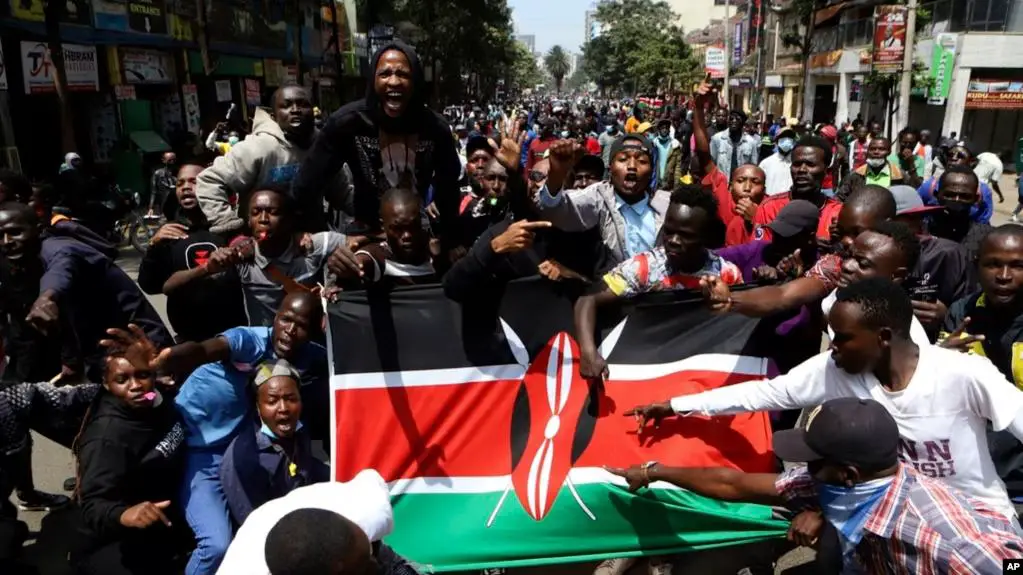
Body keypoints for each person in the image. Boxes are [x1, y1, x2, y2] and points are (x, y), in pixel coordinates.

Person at [640, 276, 1023, 520]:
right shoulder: (834, 369)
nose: (832, 348)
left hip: (978, 520)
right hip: (891, 520)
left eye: (842, 337)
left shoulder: (963, 374)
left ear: (884, 337)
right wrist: (678, 405)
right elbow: (764, 394)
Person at [610, 396, 1023, 573]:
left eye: (813, 461)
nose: (803, 469)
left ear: (848, 474)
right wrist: (652, 472)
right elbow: (733, 484)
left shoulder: (950, 542)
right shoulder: (845, 484)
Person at [172, 292, 327, 574]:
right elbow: (203, 350)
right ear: (275, 318)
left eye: (301, 325)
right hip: (202, 453)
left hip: (245, 445)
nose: (290, 330)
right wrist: (166, 359)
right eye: (286, 319)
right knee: (216, 544)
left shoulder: (311, 355)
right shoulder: (249, 340)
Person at [291, 41, 460, 242]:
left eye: (403, 74)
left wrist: (449, 240)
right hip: (366, 232)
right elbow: (309, 181)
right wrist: (300, 230)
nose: (394, 82)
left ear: (415, 81)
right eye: (385, 74)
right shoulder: (347, 122)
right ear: (373, 79)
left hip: (415, 234)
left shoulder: (435, 128)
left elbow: (449, 187)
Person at [574, 185, 744, 381]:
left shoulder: (726, 275)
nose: (673, 241)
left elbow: (738, 325)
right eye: (669, 231)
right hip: (652, 370)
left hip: (701, 374)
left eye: (686, 235)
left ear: (705, 237)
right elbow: (587, 300)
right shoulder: (644, 268)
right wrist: (588, 352)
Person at [0, 202, 172, 384]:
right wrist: (70, 360)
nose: (7, 242)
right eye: (0, 236)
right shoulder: (21, 263)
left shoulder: (60, 248)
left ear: (38, 229)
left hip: (142, 345)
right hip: (99, 351)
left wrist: (46, 297)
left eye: (15, 232)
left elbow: (61, 270)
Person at [72, 326, 188, 575]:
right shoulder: (108, 438)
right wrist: (124, 514)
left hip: (166, 521)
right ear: (105, 383)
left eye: (142, 374)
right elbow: (92, 506)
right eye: (121, 380)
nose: (135, 386)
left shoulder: (154, 399)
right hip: (118, 542)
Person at [943, 225, 1023, 504]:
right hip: (974, 474)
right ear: (977, 267)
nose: (1003, 276)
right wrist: (941, 359)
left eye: (1017, 266)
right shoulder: (961, 313)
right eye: (993, 265)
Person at [217, 469, 420, 575]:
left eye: (369, 555)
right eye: (364, 569)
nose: (374, 565)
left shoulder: (366, 512)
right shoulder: (245, 568)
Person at [137, 158, 248, 343]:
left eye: (193, 181)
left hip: (235, 336)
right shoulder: (169, 233)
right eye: (180, 183)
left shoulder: (230, 227)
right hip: (190, 341)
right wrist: (153, 246)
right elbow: (150, 286)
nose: (185, 187)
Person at [197, 85, 318, 236]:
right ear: (274, 116)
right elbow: (209, 181)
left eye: (303, 104)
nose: (295, 110)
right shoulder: (257, 148)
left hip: (310, 238)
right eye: (286, 106)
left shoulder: (323, 144)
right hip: (262, 241)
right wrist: (228, 225)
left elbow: (343, 192)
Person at [219, 360, 328, 526]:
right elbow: (255, 524)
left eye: (291, 399)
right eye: (272, 401)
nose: (283, 408)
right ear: (257, 406)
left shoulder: (304, 428)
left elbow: (318, 465)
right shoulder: (243, 459)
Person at [536, 134, 671, 265]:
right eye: (623, 159)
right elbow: (552, 209)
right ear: (610, 168)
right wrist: (557, 175)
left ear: (651, 170)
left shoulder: (666, 204)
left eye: (641, 161)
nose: (632, 166)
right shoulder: (597, 196)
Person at [751, 136, 841, 243]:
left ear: (826, 170)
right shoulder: (769, 208)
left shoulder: (838, 213)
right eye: (797, 164)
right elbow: (759, 252)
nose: (802, 170)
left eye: (810, 164)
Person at [343, 187, 437, 286]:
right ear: (383, 226)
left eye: (413, 226)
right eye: (398, 229)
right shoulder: (377, 256)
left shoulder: (435, 255)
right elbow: (360, 262)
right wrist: (348, 266)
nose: (407, 235)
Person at [929, 165, 994, 266]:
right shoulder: (923, 231)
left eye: (964, 196)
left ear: (976, 199)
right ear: (937, 195)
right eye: (950, 195)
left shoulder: (987, 237)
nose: (956, 200)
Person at [918, 142, 994, 224]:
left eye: (960, 156)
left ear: (972, 162)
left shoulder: (983, 191)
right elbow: (917, 209)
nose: (953, 158)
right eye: (950, 155)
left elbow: (983, 219)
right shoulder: (930, 186)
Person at [836, 137, 910, 201]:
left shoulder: (899, 175)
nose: (876, 152)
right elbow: (840, 198)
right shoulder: (856, 175)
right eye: (872, 149)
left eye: (881, 149)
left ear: (889, 152)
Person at [710, 109, 760, 184]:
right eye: (731, 118)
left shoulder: (751, 142)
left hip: (741, 185)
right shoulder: (717, 139)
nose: (734, 121)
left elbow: (753, 166)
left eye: (737, 119)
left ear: (743, 122)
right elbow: (711, 163)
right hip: (721, 184)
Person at [758, 126, 796, 197]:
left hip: (791, 204)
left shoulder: (797, 163)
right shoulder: (766, 163)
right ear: (776, 141)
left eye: (789, 137)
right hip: (770, 204)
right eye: (783, 137)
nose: (787, 139)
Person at [652, 119, 679, 187]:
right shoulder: (654, 143)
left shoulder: (674, 144)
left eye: (666, 128)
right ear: (659, 130)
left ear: (669, 130)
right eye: (662, 128)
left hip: (668, 183)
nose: (664, 130)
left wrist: (676, 185)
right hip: (655, 182)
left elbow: (678, 167)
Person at [149, 152, 177, 217]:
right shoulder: (158, 174)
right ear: (163, 160)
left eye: (174, 160)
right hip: (164, 205)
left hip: (178, 205)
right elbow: (154, 192)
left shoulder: (179, 172)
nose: (172, 162)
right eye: (169, 160)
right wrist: (151, 207)